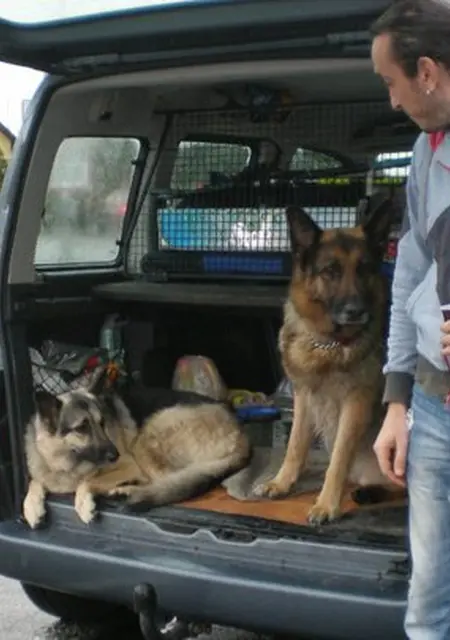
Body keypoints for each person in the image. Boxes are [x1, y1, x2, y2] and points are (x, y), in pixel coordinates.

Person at [370, 1, 450, 638]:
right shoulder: (426, 153)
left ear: (426, 72)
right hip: (434, 405)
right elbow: (408, 279)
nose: (391, 100)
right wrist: (397, 402)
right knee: (427, 608)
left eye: (390, 82)